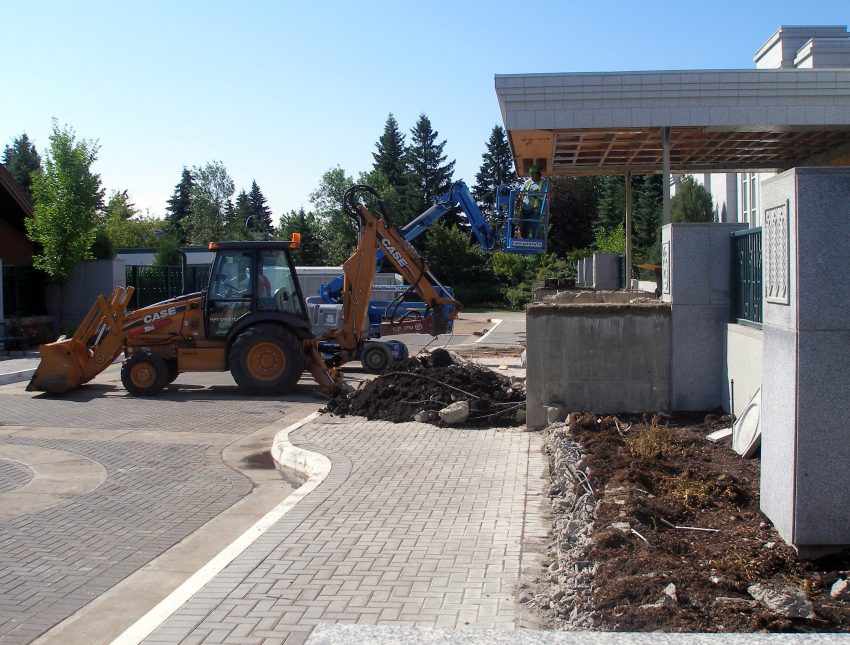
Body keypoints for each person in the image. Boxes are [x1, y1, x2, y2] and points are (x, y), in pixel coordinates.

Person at [519, 165, 545, 238]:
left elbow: (549, 194)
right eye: (530, 174)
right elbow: (520, 195)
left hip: (535, 211)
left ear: (538, 174)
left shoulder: (543, 183)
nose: (531, 176)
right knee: (523, 229)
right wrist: (519, 209)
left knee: (535, 229)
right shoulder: (527, 183)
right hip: (524, 211)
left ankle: (536, 243)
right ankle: (523, 243)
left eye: (533, 174)